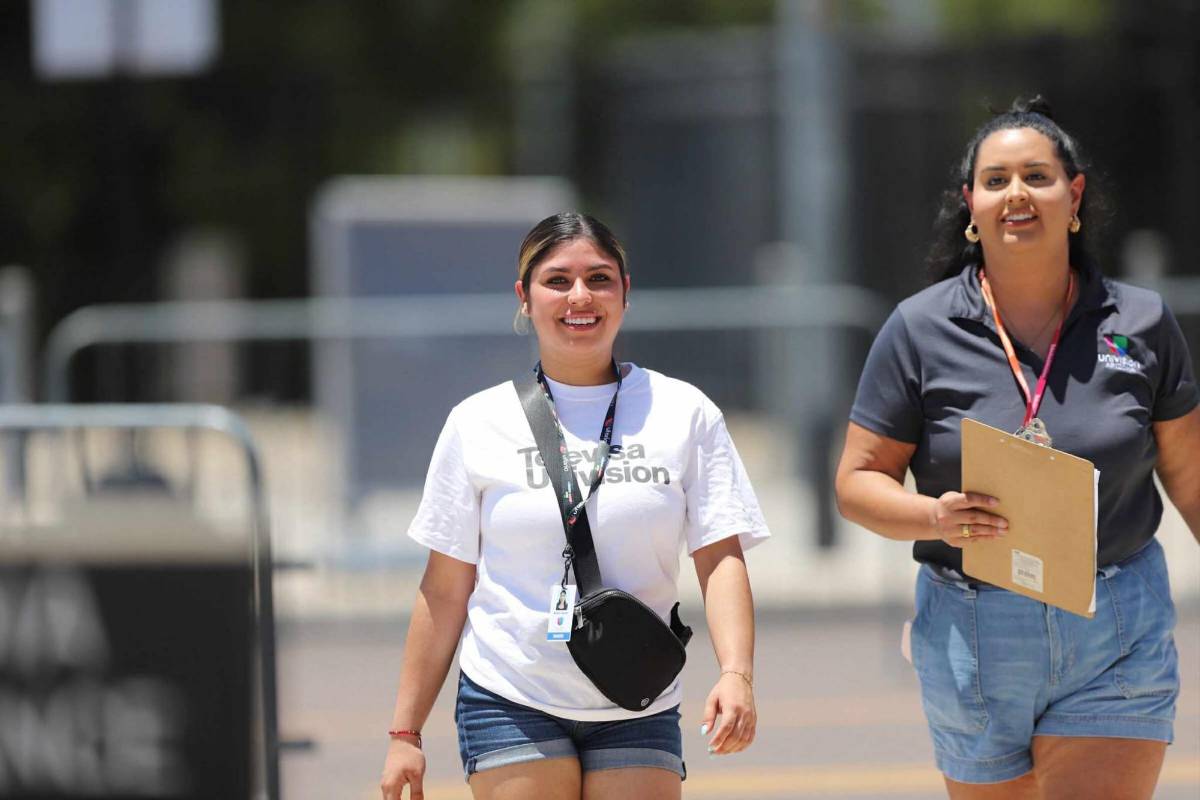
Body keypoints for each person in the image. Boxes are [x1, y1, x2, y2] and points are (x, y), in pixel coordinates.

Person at [835, 97, 1200, 799]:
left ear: (1075, 196)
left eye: (1037, 175)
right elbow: (857, 483)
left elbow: (1189, 478)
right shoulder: (918, 329)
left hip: (1115, 622)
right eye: (996, 180)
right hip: (971, 632)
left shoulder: (1143, 323)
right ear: (970, 204)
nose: (1017, 194)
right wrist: (935, 517)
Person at [380, 212, 769, 800]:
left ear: (625, 292)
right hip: (510, 693)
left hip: (638, 691)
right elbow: (444, 586)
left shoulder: (684, 412)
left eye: (599, 278)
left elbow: (720, 559)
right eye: (557, 280)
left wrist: (736, 673)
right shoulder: (476, 422)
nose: (579, 296)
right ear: (524, 298)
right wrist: (405, 732)